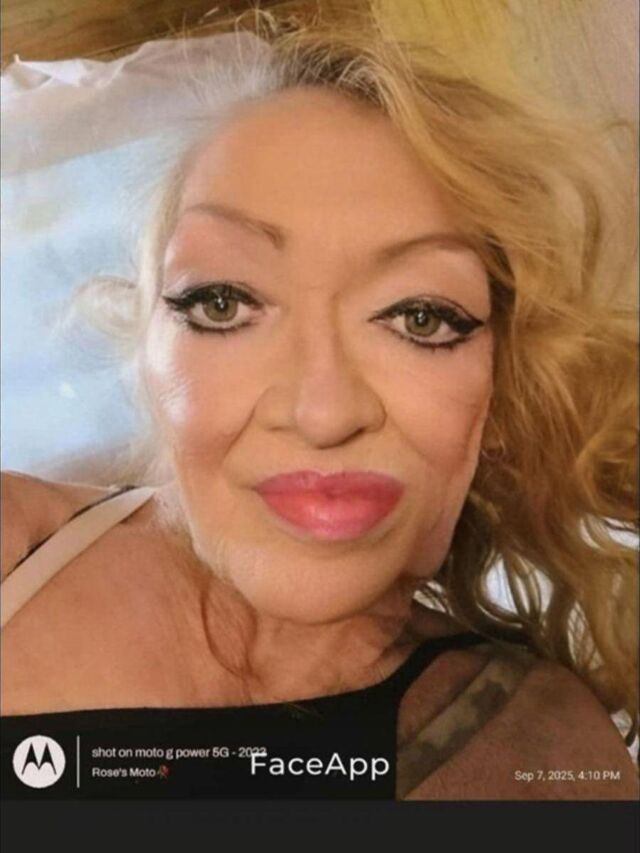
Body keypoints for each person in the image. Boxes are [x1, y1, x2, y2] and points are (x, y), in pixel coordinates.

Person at [1, 8, 637, 799]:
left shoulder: (538, 745)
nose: (323, 413)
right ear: (148, 359)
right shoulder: (17, 542)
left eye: (420, 318)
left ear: (500, 392)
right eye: (224, 303)